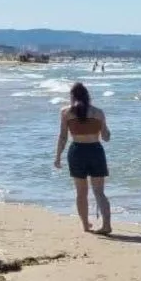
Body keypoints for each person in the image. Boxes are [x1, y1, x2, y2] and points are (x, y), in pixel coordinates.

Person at [53, 82, 112, 234]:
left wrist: (58, 157)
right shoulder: (98, 112)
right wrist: (103, 129)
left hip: (77, 151)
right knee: (99, 192)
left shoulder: (66, 112)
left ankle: (86, 225)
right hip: (95, 151)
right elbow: (106, 137)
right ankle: (106, 225)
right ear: (87, 96)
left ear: (72, 96)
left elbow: (63, 137)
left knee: (81, 192)